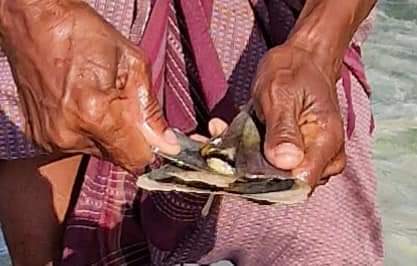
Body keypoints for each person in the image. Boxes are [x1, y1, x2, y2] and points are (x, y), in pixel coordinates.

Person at [0, 0, 383, 265]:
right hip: (73, 25)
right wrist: (30, 14)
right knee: (61, 253)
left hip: (275, 24)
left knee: (328, 252)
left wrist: (316, 48)